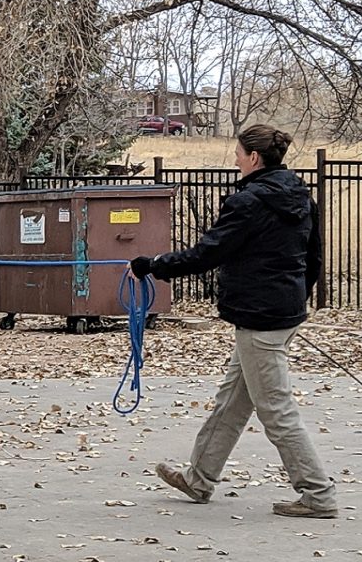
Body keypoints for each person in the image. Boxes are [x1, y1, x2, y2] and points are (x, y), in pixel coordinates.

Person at [130, 124, 336, 519]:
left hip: (262, 317)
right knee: (232, 401)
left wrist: (152, 265)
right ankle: (199, 478)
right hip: (279, 312)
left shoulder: (250, 202)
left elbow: (209, 253)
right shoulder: (298, 195)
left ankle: (317, 494)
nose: (235, 160)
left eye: (238, 154)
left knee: (275, 409)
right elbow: (315, 258)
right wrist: (293, 297)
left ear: (254, 158)